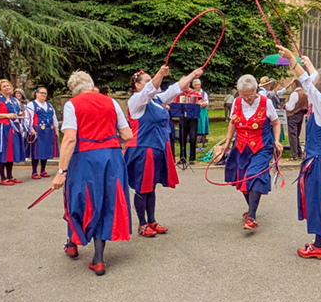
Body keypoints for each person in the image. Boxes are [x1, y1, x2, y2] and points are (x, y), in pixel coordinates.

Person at [51, 71, 132, 276]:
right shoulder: (111, 102)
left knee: (79, 199)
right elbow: (127, 134)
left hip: (86, 159)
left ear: (73, 89)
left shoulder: (72, 105)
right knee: (106, 202)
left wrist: (61, 171)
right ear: (92, 84)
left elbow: (69, 138)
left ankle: (72, 243)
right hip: (112, 159)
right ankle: (98, 259)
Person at [276, 44, 321, 260]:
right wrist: (308, 63)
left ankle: (318, 246)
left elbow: (309, 83)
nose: (314, 84)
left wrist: (292, 61)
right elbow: (315, 81)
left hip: (318, 163)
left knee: (318, 201)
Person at [125, 65, 203, 237]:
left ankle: (152, 220)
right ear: (137, 85)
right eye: (146, 80)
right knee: (142, 187)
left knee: (151, 187)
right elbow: (148, 91)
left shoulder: (157, 100)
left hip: (157, 148)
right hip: (142, 149)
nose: (152, 82)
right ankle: (142, 224)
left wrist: (192, 74)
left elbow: (176, 88)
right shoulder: (136, 100)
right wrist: (159, 74)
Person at [216, 74, 283, 231]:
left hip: (262, 146)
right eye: (243, 95)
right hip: (241, 147)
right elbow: (233, 123)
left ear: (256, 91)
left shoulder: (265, 103)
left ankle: (251, 217)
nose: (246, 99)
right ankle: (251, 209)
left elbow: (276, 122)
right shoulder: (238, 101)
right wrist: (226, 143)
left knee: (254, 175)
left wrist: (277, 140)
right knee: (242, 179)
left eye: (250, 95)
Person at [0, 79, 26, 185]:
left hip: (13, 128)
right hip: (1, 128)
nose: (7, 88)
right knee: (2, 151)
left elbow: (16, 113)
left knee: (11, 151)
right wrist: (5, 115)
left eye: (8, 86)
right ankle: (2, 178)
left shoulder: (14, 100)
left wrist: (21, 114)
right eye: (4, 86)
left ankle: (10, 175)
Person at [26, 87, 59, 179]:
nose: (43, 95)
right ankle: (34, 171)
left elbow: (54, 117)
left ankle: (43, 170)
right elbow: (28, 118)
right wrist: (30, 129)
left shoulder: (49, 105)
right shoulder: (31, 105)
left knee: (45, 150)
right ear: (36, 94)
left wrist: (56, 129)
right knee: (36, 151)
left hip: (48, 131)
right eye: (41, 93)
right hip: (37, 131)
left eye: (45, 93)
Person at [284, 79, 308, 160]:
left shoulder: (294, 94)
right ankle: (299, 152)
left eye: (292, 85)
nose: (291, 87)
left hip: (293, 115)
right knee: (297, 135)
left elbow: (290, 107)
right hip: (300, 115)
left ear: (294, 85)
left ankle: (294, 155)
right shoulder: (304, 93)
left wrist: (286, 104)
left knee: (292, 135)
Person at [192, 77, 210, 147]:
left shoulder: (204, 93)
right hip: (196, 110)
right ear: (193, 85)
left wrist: (203, 104)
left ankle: (203, 142)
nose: (198, 86)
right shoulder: (192, 93)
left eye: (199, 84)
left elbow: (206, 102)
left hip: (203, 111)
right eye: (196, 84)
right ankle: (195, 142)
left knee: (203, 125)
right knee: (196, 125)